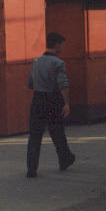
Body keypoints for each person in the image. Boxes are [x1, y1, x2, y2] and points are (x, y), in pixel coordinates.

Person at [26, 32, 75, 178]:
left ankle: (31, 168)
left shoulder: (36, 61)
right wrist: (66, 103)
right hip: (53, 99)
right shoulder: (58, 63)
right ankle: (65, 158)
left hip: (38, 99)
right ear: (57, 45)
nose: (62, 47)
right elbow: (63, 84)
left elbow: (30, 83)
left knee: (35, 134)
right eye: (61, 44)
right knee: (57, 132)